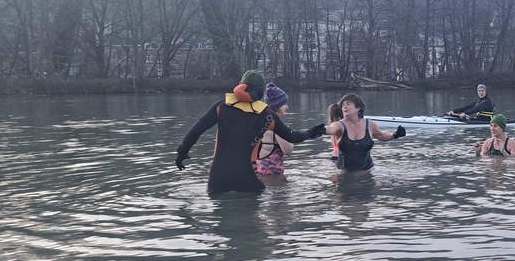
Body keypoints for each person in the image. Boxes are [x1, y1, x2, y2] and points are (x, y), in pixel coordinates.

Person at [174, 70, 325, 195]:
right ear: (261, 92)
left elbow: (196, 130)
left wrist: (182, 152)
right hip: (247, 179)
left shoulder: (221, 106)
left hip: (218, 178)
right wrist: (312, 132)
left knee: (219, 227)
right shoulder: (267, 115)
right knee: (253, 224)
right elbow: (293, 136)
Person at [324, 93, 406, 171]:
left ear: (358, 107)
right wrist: (322, 130)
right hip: (344, 174)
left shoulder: (369, 124)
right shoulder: (339, 125)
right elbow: (331, 129)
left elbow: (382, 136)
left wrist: (394, 135)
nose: (344, 106)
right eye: (343, 105)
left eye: (348, 104)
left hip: (368, 172)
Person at [254, 84, 294, 177]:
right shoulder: (276, 125)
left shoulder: (262, 122)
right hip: (271, 174)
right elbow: (288, 150)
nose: (287, 107)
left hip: (261, 171)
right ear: (277, 106)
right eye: (284, 104)